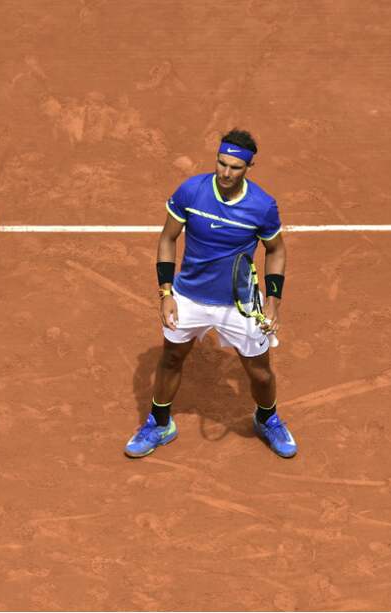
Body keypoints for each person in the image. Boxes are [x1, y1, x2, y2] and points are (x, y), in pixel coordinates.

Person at [124, 129, 297, 459]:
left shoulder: (262, 206)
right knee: (172, 358)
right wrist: (166, 294)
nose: (225, 173)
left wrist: (273, 302)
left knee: (259, 372)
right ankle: (160, 424)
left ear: (249, 167)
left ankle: (267, 419)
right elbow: (167, 239)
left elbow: (275, 250)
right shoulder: (191, 192)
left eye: (235, 167)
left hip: (241, 301)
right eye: (221, 163)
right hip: (189, 295)